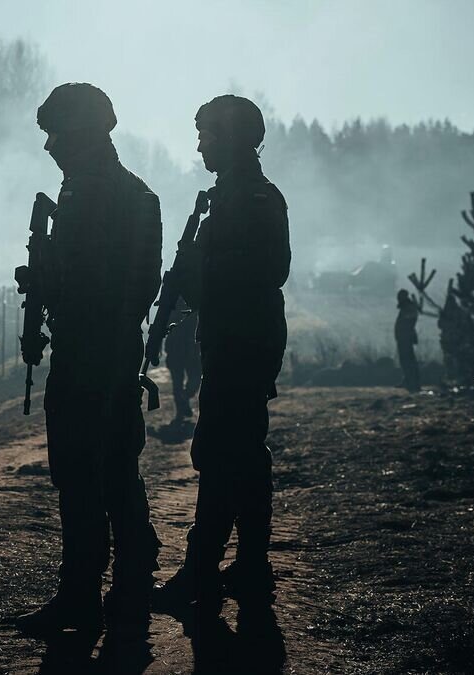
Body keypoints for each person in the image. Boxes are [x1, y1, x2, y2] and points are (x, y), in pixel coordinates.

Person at [15, 83, 163, 636]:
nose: (51, 146)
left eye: (58, 134)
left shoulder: (96, 195)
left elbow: (110, 283)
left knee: (86, 473)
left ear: (83, 134)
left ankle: (89, 595)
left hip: (92, 350)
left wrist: (51, 282)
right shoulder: (127, 193)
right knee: (108, 471)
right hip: (104, 347)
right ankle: (119, 590)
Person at [156, 95, 290, 618]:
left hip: (244, 343)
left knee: (218, 454)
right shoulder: (227, 197)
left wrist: (197, 276)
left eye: (207, 136)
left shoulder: (255, 197)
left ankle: (203, 569)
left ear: (229, 140)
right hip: (233, 341)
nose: (199, 146)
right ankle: (249, 566)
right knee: (240, 455)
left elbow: (267, 270)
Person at [164, 297, 202, 421]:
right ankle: (181, 408)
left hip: (190, 348)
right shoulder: (173, 305)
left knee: (192, 379)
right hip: (179, 348)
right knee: (179, 382)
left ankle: (183, 399)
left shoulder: (194, 302)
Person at [395, 289, 421, 392]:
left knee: (408, 360)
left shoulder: (409, 307)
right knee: (405, 360)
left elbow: (411, 318)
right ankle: (408, 380)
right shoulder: (407, 307)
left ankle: (413, 382)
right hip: (403, 337)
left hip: (406, 337)